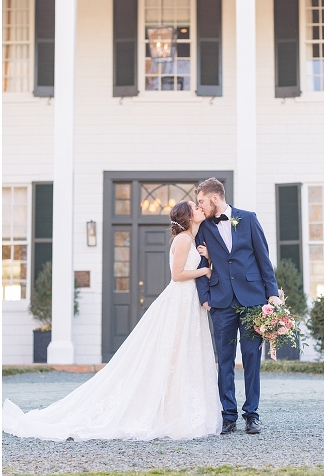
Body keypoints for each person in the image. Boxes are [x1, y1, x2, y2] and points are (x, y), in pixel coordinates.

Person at [2, 201, 221, 441]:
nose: (200, 209)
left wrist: (208, 260)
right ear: (188, 216)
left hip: (188, 301)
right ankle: (166, 411)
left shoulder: (191, 240)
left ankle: (175, 409)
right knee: (172, 352)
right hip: (179, 300)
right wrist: (204, 270)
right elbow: (177, 275)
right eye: (195, 207)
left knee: (182, 353)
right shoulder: (182, 240)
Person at [194, 177, 279, 435]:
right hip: (220, 302)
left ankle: (252, 415)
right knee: (225, 360)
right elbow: (199, 263)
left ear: (215, 198)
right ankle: (228, 415)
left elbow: (264, 259)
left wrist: (272, 294)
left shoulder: (249, 219)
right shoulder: (203, 227)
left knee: (252, 358)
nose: (200, 207)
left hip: (252, 299)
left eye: (201, 201)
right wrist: (205, 297)